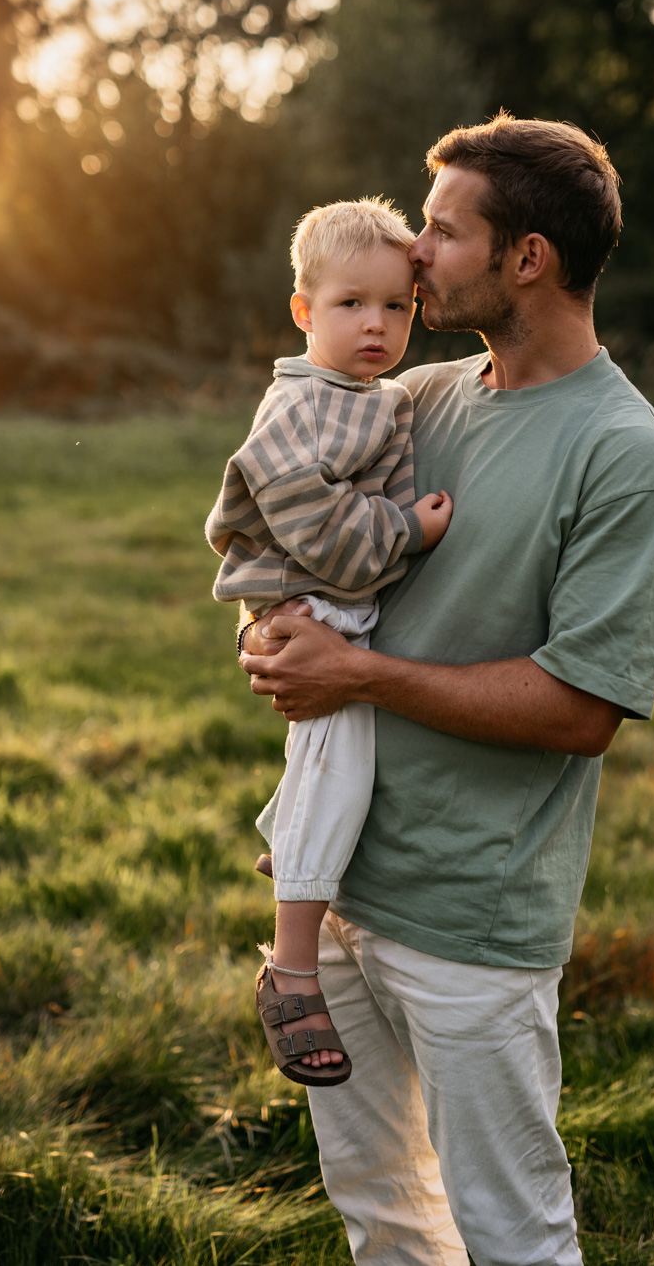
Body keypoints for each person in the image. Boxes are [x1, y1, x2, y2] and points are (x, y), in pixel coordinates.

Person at [242, 115, 654, 1266]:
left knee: (512, 1237)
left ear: (526, 258)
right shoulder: (420, 397)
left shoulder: (625, 455)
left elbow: (579, 711)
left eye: (442, 231)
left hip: (471, 922)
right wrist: (279, 636)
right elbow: (295, 514)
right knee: (381, 1209)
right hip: (342, 890)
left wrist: (355, 673)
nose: (415, 254)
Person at [205, 199, 452, 1087]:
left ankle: (294, 832)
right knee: (341, 753)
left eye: (397, 306)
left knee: (338, 760)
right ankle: (292, 965)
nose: (378, 325)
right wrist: (405, 533)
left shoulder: (368, 396)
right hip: (303, 603)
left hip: (330, 605)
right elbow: (314, 525)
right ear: (304, 310)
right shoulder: (301, 406)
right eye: (352, 304)